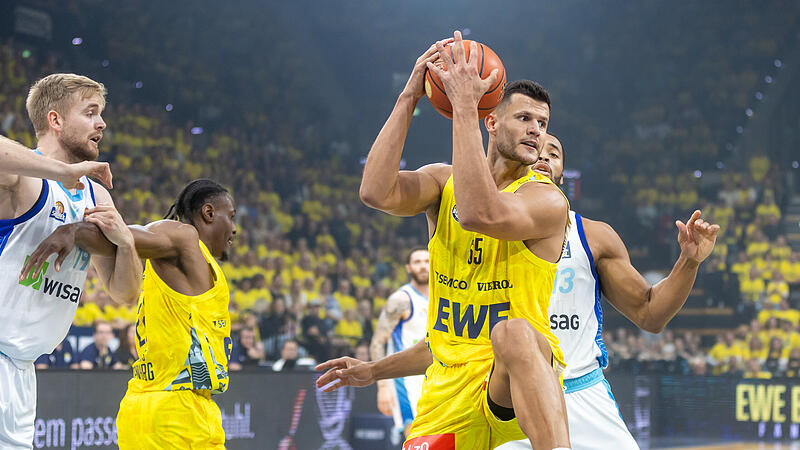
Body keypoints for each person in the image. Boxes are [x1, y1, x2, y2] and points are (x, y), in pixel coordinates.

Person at [319, 31, 571, 449]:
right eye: (524, 119)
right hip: (447, 386)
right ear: (493, 122)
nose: (536, 132)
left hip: (511, 383)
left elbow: (479, 213)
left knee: (513, 333)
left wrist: (464, 108)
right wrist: (408, 97)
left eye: (542, 124)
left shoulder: (545, 198)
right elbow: (374, 192)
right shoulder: (443, 183)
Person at [498, 135, 719, 450]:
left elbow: (650, 313)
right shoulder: (482, 229)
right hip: (510, 400)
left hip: (582, 394)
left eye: (554, 154)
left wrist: (689, 262)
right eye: (536, 151)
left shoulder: (594, 236)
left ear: (562, 173)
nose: (545, 158)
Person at [25, 179, 237, 448]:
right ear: (208, 213)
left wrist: (76, 232)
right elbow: (124, 235)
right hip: (178, 411)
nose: (234, 228)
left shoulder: (189, 259)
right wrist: (74, 231)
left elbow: (122, 240)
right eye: (230, 217)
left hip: (147, 404)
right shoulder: (184, 236)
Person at [1, 73, 142, 449]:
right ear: (55, 120)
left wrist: (126, 242)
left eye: (102, 114)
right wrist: (62, 171)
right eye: (91, 112)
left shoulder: (97, 195)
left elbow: (125, 294)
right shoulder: (24, 178)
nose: (102, 123)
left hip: (21, 368)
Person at [369, 247, 429, 438]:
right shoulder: (401, 299)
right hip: (407, 379)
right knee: (415, 438)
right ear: (408, 268)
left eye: (427, 261)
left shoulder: (445, 295)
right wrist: (383, 386)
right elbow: (378, 342)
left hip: (438, 375)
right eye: (417, 262)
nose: (423, 266)